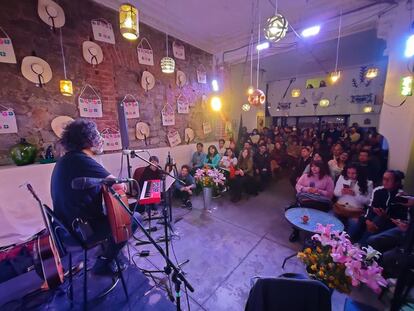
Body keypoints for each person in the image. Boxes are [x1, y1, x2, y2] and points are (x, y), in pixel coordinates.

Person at [51, 119, 133, 275]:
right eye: (97, 135)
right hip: (82, 231)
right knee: (132, 219)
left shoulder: (66, 160)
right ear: (87, 140)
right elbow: (119, 186)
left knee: (109, 212)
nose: (100, 139)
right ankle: (104, 261)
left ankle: (111, 253)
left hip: (65, 228)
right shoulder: (81, 159)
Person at [348, 170, 408, 245]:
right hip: (373, 219)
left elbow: (401, 219)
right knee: (360, 220)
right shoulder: (378, 190)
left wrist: (385, 217)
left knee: (378, 221)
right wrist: (368, 221)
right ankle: (348, 241)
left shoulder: (402, 196)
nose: (385, 182)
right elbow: (370, 208)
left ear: (397, 182)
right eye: (384, 179)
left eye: (388, 180)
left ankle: (361, 246)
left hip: (390, 223)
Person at [290, 160, 334, 242]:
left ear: (321, 167)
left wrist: (318, 191)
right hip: (306, 198)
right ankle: (296, 231)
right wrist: (307, 189)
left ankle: (312, 235)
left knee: (303, 208)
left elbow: (330, 194)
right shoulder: (306, 176)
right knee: (301, 208)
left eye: (316, 166)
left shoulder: (328, 179)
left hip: (320, 201)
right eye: (312, 166)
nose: (314, 168)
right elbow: (298, 185)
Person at [333, 164, 373, 231]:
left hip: (355, 211)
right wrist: (342, 192)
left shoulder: (368, 183)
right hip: (340, 207)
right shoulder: (342, 177)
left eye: (353, 173)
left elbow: (368, 201)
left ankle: (347, 240)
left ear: (359, 173)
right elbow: (335, 193)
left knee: (353, 226)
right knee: (331, 222)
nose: (350, 175)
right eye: (348, 173)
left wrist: (355, 195)